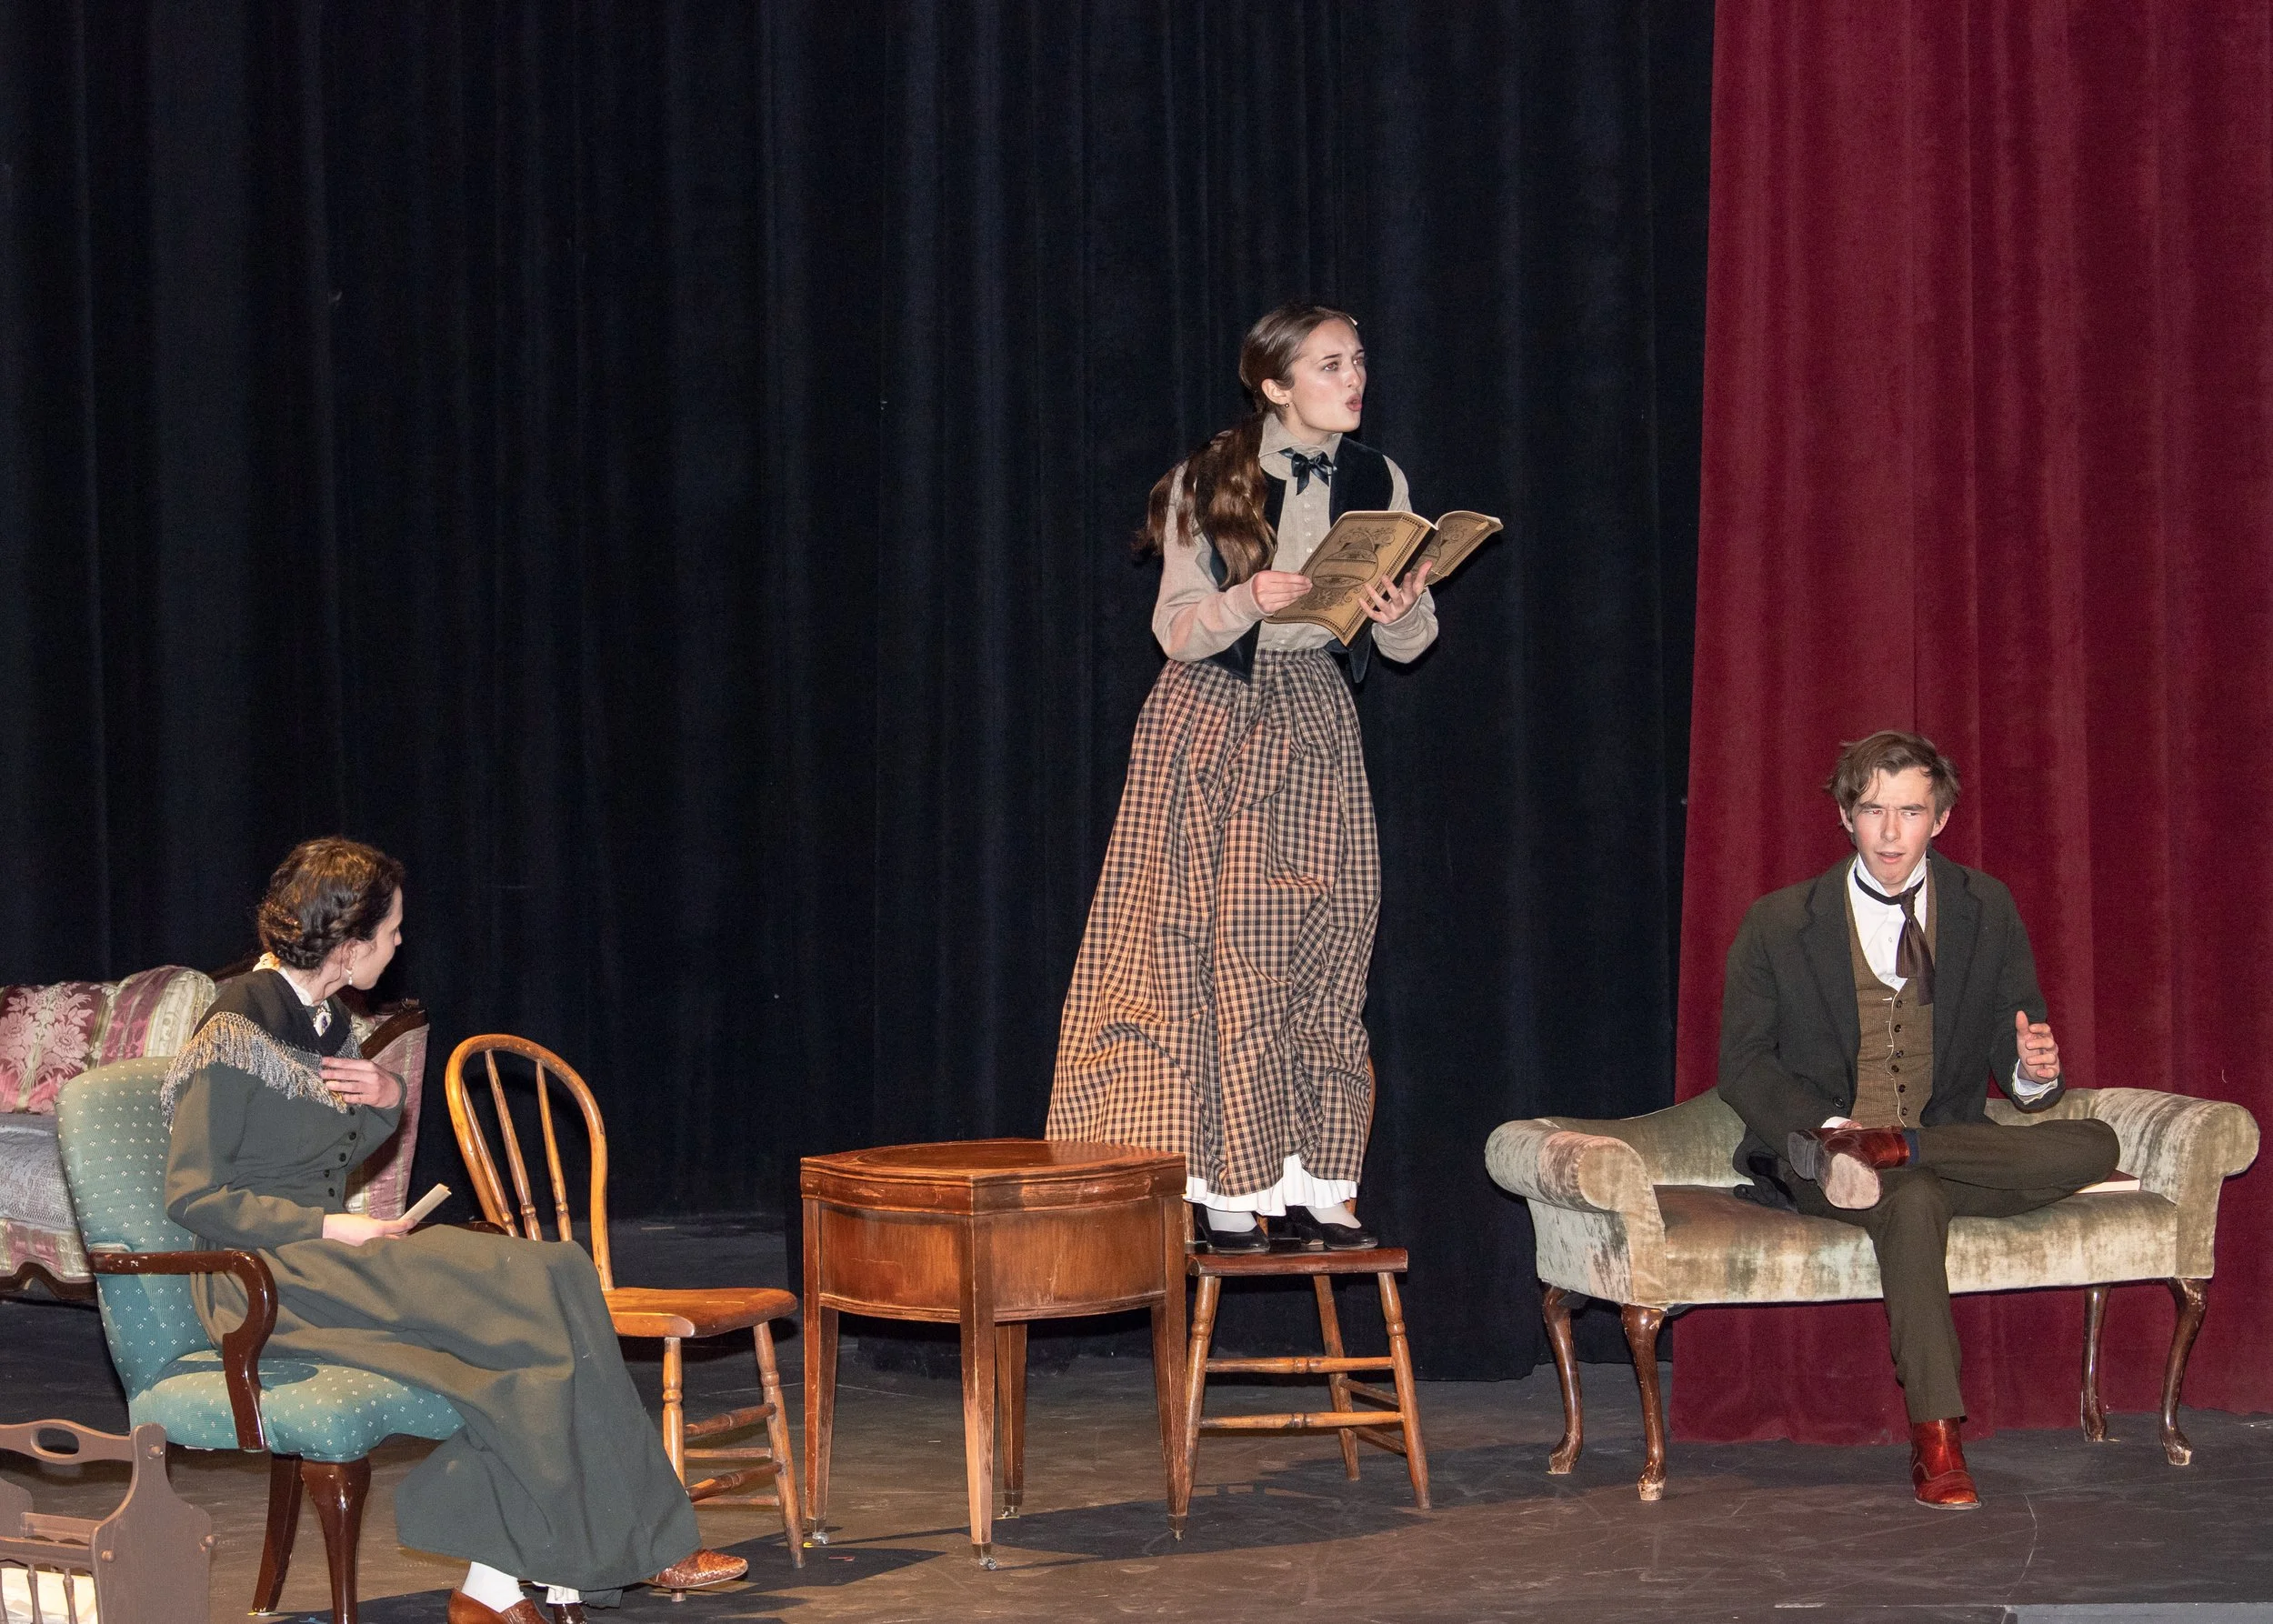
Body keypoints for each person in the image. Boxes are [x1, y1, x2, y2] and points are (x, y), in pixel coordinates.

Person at [163, 838, 746, 1623]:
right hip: (263, 1273)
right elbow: (193, 1195)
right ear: (349, 941)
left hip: (327, 1252)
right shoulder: (238, 1023)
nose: (400, 943)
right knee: (531, 1304)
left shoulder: (323, 1018)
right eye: (392, 930)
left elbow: (324, 1148)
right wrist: (328, 1224)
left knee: (560, 1275)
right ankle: (587, 1560)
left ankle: (517, 1578)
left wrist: (383, 1099)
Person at [1046, 302, 1439, 1254]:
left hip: (1313, 716)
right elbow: (1175, 628)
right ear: (1275, 384)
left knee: (1322, 945)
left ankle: (1317, 1180)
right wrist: (1245, 598)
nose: (1354, 379)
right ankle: (1222, 1185)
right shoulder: (1210, 477)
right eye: (1330, 365)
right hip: (1214, 719)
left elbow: (1404, 642)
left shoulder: (1379, 479)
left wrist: (1401, 614)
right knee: (1206, 952)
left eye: (1357, 361)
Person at [1717, 731, 2120, 1509]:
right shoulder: (1778, 922)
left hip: (1944, 1143)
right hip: (1832, 1160)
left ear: (1941, 819)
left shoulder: (1985, 906)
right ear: (1846, 817)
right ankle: (1938, 1439)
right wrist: (1833, 1132)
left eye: (1910, 812)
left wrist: (2033, 1073)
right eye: (1873, 810)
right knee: (1913, 1202)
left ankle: (1900, 1145)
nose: (1891, 832)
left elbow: (2013, 1036)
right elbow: (1744, 1066)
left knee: (2095, 1141)